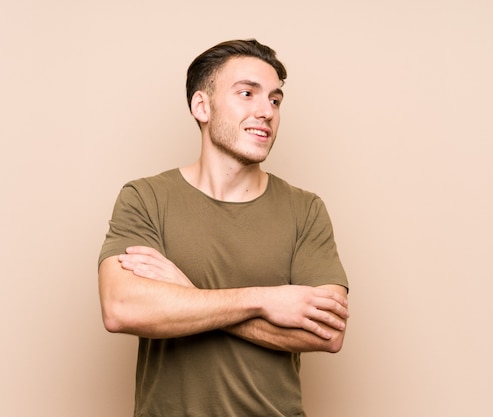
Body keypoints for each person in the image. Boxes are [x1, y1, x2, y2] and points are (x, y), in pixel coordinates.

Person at [97, 39, 349, 417]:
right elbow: (121, 308)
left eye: (275, 100)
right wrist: (265, 300)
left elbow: (326, 333)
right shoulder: (145, 197)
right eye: (247, 93)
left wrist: (185, 294)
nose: (266, 111)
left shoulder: (305, 209)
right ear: (202, 106)